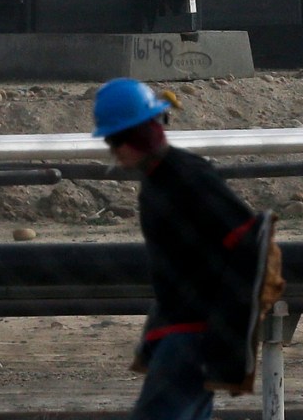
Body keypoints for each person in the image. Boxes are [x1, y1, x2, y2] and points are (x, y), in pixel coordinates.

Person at [94, 78, 275, 420]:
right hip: (185, 331)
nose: (113, 150)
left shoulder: (187, 177)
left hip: (190, 336)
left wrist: (227, 327)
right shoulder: (161, 180)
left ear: (140, 135)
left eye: (116, 139)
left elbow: (247, 242)